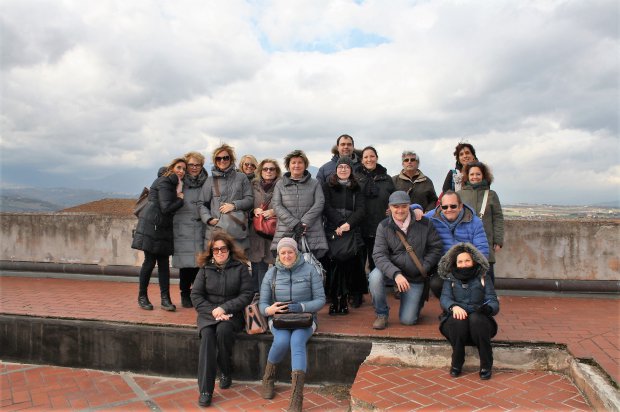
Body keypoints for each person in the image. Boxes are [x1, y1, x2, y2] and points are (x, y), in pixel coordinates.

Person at [259, 237, 326, 412]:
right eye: (283, 252)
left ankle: (296, 396)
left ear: (296, 253)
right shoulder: (270, 273)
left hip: (305, 319)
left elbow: (320, 300)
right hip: (279, 320)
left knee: (297, 342)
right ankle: (268, 377)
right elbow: (262, 304)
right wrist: (269, 310)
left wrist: (302, 306)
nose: (287, 256)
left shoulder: (310, 270)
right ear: (278, 255)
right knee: (281, 341)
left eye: (290, 252)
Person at [190, 231, 254, 407]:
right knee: (208, 337)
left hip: (232, 314)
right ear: (211, 252)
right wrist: (214, 311)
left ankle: (225, 372)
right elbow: (196, 296)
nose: (219, 252)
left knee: (224, 330)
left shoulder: (240, 268)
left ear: (229, 249)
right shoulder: (204, 270)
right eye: (215, 250)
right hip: (208, 316)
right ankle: (205, 390)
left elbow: (247, 294)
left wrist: (225, 308)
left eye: (223, 249)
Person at [368, 191, 443, 330]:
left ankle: (417, 301)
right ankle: (381, 314)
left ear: (409, 206)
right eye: (396, 206)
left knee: (408, 320)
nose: (400, 210)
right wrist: (396, 274)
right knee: (374, 277)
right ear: (390, 207)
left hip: (415, 275)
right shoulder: (384, 226)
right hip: (393, 271)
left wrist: (423, 266)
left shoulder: (425, 223)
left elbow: (436, 248)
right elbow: (379, 255)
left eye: (403, 206)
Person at [132, 158, 186, 311]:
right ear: (172, 167)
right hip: (153, 225)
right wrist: (180, 200)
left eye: (184, 169)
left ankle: (165, 299)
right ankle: (142, 297)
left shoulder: (174, 182)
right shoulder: (165, 181)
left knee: (163, 265)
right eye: (179, 167)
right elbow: (166, 207)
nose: (181, 171)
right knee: (149, 263)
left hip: (163, 227)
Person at [438, 242, 499, 380]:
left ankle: (486, 364)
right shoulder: (450, 278)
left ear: (473, 261)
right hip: (458, 322)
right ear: (455, 263)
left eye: (467, 260)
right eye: (460, 261)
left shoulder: (484, 277)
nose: (464, 264)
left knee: (476, 319)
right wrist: (453, 307)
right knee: (458, 321)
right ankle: (457, 362)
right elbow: (444, 298)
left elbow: (493, 301)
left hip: (479, 321)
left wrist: (487, 308)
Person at [418, 190, 489, 298]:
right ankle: (449, 309)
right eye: (445, 207)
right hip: (443, 265)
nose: (449, 210)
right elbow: (409, 217)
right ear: (440, 207)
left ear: (460, 206)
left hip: (466, 265)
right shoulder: (431, 218)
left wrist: (473, 269)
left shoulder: (475, 222)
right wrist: (415, 208)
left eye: (453, 206)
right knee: (436, 284)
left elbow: (482, 249)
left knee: (471, 287)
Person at [323, 156, 366, 314]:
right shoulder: (327, 186)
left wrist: (348, 224)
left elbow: (361, 210)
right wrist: (340, 223)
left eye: (346, 167)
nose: (343, 169)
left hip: (351, 231)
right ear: (336, 169)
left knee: (348, 267)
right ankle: (334, 300)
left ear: (351, 170)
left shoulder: (357, 187)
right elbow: (326, 207)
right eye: (340, 167)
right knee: (334, 267)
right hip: (333, 230)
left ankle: (345, 299)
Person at [271, 149, 328, 259]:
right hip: (286, 231)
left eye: (300, 162)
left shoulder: (314, 183)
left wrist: (304, 223)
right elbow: (277, 206)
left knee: (310, 267)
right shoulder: (280, 184)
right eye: (293, 162)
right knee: (287, 265)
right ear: (288, 165)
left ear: (305, 165)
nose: (296, 165)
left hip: (311, 231)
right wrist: (295, 224)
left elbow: (319, 203)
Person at [199, 144, 253, 250]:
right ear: (215, 161)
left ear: (231, 159)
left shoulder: (242, 177)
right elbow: (201, 204)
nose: (222, 160)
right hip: (215, 230)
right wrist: (208, 219)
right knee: (215, 265)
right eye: (218, 158)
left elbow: (250, 200)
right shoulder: (210, 180)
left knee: (238, 265)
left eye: (225, 157)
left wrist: (234, 205)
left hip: (236, 230)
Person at [172, 151, 208, 308]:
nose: (194, 168)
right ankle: (184, 294)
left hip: (201, 227)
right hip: (183, 227)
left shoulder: (207, 182)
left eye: (197, 165)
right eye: (191, 164)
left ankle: (196, 294)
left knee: (200, 263)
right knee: (186, 264)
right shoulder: (178, 181)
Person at [459, 161, 504, 283]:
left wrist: (498, 240)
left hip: (486, 241)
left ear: (483, 175)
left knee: (487, 276)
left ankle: (489, 300)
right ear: (467, 176)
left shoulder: (491, 195)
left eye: (478, 174)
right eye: (472, 174)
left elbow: (498, 218)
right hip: (465, 240)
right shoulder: (459, 195)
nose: (474, 177)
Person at [355, 146, 395, 275]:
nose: (369, 159)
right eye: (366, 157)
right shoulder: (355, 178)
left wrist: (392, 208)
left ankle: (375, 290)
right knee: (358, 261)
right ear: (361, 160)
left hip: (380, 225)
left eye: (372, 156)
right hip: (359, 226)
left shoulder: (387, 179)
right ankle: (360, 291)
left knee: (376, 260)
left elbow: (394, 198)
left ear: (376, 158)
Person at [248, 159, 282, 292]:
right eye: (265, 169)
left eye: (272, 169)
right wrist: (253, 211)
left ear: (277, 171)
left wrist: (274, 211)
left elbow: (289, 205)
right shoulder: (252, 186)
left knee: (275, 266)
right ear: (260, 171)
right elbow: (246, 205)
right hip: (256, 231)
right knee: (257, 266)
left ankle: (270, 297)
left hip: (275, 232)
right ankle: (257, 297)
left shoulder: (282, 186)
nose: (268, 171)